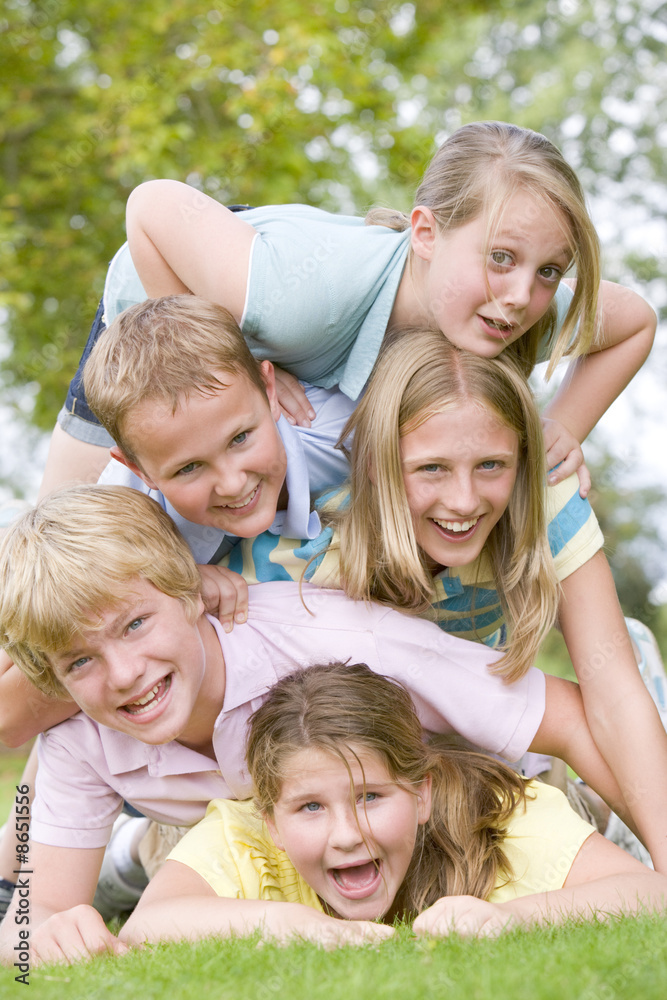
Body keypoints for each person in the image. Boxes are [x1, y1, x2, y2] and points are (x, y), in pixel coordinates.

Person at [0, 484, 618, 966]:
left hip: (458, 805)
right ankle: (131, 856)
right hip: (251, 853)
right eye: (81, 660)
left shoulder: (340, 639)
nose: (125, 674)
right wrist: (45, 936)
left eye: (135, 624)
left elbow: (565, 715)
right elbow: (27, 918)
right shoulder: (78, 736)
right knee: (178, 863)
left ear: (190, 592)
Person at [221, 328, 667, 871]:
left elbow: (614, 695)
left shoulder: (545, 499)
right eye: (431, 468)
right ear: (377, 465)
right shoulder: (313, 555)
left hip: (499, 718)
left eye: (492, 466)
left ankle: (611, 795)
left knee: (603, 721)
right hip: (401, 749)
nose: (463, 501)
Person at [44, 121, 655, 497]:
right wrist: (230, 356)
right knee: (65, 532)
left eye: (549, 270)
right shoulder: (297, 300)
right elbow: (152, 208)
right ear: (425, 235)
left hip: (270, 335)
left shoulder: (509, 307)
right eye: (500, 258)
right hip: (158, 312)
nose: (523, 294)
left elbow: (634, 322)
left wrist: (561, 429)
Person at [0, 294, 356, 749]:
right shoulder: (124, 511)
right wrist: (176, 585)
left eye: (241, 438)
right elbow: (10, 715)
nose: (231, 483)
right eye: (188, 468)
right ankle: (22, 823)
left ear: (270, 392)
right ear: (140, 469)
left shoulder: (343, 431)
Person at [119, 662, 667, 948]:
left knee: (592, 817)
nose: (346, 836)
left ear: (421, 793)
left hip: (542, 788)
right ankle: (120, 853)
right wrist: (294, 924)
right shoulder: (247, 833)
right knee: (142, 859)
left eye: (370, 797)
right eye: (310, 807)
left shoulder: (501, 818)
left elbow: (651, 892)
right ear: (272, 822)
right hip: (168, 830)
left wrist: (505, 919)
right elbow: (146, 927)